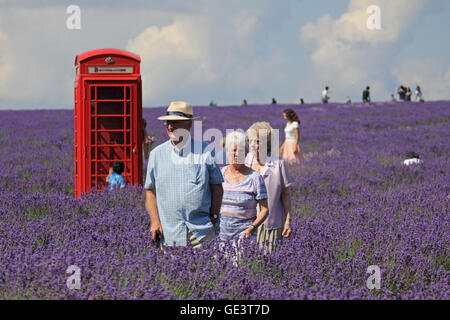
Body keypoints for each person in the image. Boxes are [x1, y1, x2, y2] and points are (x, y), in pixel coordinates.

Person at [144, 101, 224, 248]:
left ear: (188, 125)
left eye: (175, 122)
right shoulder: (156, 154)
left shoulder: (205, 150)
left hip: (200, 231)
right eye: (168, 122)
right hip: (169, 232)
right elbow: (150, 190)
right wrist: (155, 221)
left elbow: (217, 186)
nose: (170, 127)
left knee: (205, 270)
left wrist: (213, 216)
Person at [245, 122, 293, 252]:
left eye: (258, 141)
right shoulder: (244, 163)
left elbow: (286, 195)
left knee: (267, 264)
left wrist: (288, 221)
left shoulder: (278, 164)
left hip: (270, 224)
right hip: (243, 225)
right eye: (250, 141)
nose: (253, 145)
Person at [218, 131, 268, 242]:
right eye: (233, 150)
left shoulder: (255, 178)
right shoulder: (219, 174)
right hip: (221, 237)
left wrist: (252, 228)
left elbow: (264, 210)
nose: (236, 154)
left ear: (246, 153)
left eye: (240, 150)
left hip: (245, 238)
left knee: (242, 260)